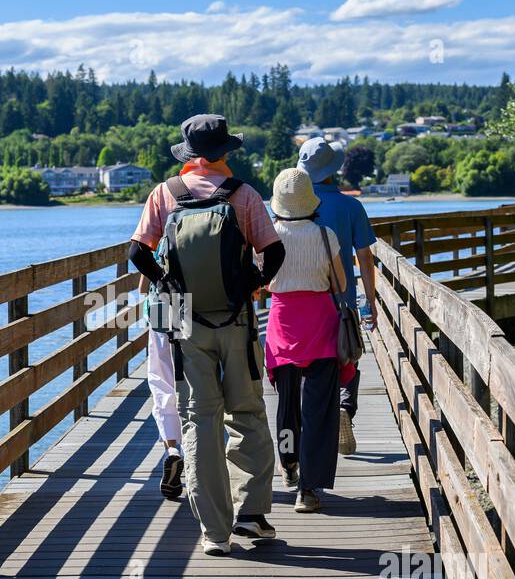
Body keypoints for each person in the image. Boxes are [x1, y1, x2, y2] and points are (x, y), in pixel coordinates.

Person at [129, 114, 286, 556]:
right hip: (235, 319)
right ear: (225, 152)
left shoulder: (166, 193)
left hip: (183, 320)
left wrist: (166, 281)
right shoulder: (244, 195)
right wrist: (251, 285)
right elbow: (275, 251)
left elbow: (136, 251)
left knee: (200, 419)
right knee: (248, 413)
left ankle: (215, 532)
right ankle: (252, 513)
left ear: (189, 153)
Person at [264, 168, 353, 513]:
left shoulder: (268, 235)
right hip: (320, 325)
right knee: (318, 409)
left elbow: (260, 280)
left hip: (283, 324)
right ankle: (309, 489)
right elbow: (341, 283)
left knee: (287, 405)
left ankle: (288, 464)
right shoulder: (325, 235)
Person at [298, 137, 377, 454]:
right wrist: (370, 302)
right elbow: (366, 259)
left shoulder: (295, 207)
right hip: (342, 301)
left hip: (303, 303)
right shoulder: (351, 206)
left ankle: (315, 428)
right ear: (334, 170)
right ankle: (345, 406)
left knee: (310, 365)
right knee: (349, 356)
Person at [139, 271, 183, 500]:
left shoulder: (156, 232)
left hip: (160, 302)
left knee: (160, 379)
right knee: (192, 377)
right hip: (195, 300)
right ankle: (199, 459)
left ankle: (172, 448)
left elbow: (140, 286)